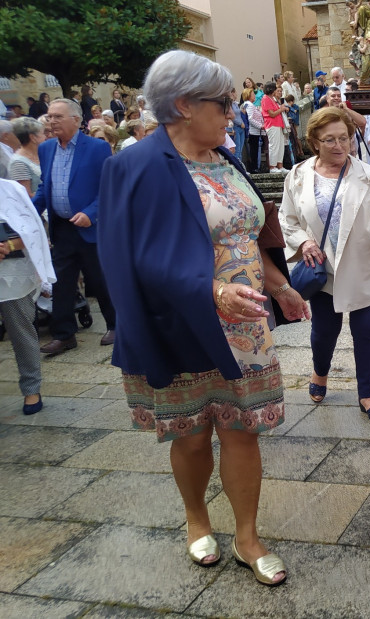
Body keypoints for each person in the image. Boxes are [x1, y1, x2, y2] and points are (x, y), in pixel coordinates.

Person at [98, 50, 307, 586]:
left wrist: (280, 287)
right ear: (185, 104)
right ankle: (196, 519)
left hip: (245, 327)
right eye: (224, 104)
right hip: (181, 324)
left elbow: (246, 235)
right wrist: (212, 291)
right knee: (191, 436)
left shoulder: (227, 159)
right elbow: (130, 258)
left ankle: (247, 535)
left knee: (243, 431)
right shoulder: (134, 165)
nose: (233, 114)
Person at [279, 106, 370, 422]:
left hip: (363, 265)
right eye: (330, 140)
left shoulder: (368, 174)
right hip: (324, 270)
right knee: (324, 331)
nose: (339, 146)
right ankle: (320, 373)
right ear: (315, 142)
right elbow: (287, 218)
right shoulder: (298, 176)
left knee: (365, 332)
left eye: (345, 138)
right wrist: (303, 242)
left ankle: (367, 393)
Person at [32, 98, 116, 355]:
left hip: (90, 228)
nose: (51, 121)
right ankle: (64, 334)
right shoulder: (46, 149)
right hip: (63, 229)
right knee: (62, 283)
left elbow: (108, 188)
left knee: (100, 280)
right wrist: (28, 212)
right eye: (49, 116)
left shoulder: (97, 148)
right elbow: (46, 186)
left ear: (76, 120)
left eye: (58, 116)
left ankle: (116, 325)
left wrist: (91, 213)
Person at [0, 178, 55, 415]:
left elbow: (35, 231)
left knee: (21, 332)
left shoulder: (11, 190)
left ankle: (31, 388)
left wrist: (8, 246)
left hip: (13, 277)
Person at [9, 117, 45, 196]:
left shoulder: (41, 153)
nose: (46, 136)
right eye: (43, 133)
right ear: (33, 137)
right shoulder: (18, 163)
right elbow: (25, 194)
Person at [260, 82, 288, 174]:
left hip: (278, 124)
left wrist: (281, 108)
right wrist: (281, 109)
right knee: (274, 146)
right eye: (275, 89)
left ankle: (280, 165)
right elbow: (271, 114)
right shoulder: (265, 98)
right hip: (272, 124)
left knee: (280, 146)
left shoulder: (272, 99)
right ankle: (272, 166)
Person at [241, 89, 264, 174]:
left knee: (255, 150)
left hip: (255, 131)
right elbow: (250, 119)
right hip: (253, 131)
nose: (254, 96)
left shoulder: (250, 104)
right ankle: (254, 168)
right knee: (253, 150)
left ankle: (255, 167)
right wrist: (260, 126)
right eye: (252, 94)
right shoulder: (249, 105)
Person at [229, 89, 246, 162]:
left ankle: (241, 166)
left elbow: (238, 115)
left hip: (241, 127)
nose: (237, 94)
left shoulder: (235, 103)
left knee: (241, 148)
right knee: (237, 148)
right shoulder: (230, 104)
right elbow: (232, 117)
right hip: (236, 127)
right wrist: (240, 123)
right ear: (232, 93)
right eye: (235, 93)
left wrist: (243, 123)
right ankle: (237, 166)